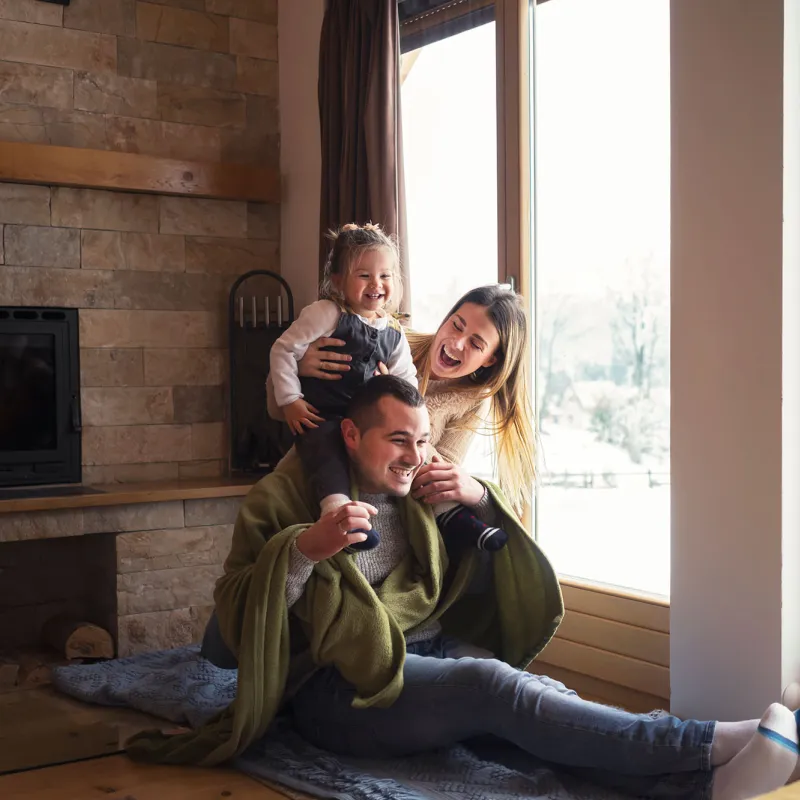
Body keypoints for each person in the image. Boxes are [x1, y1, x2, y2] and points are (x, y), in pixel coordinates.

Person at [132, 376, 800, 800]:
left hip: (431, 653)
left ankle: (708, 784)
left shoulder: (424, 492)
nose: (413, 456)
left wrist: (480, 493)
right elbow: (233, 624)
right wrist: (307, 548)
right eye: (397, 439)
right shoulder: (284, 499)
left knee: (537, 707)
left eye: (421, 441)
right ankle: (711, 741)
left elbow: (495, 560)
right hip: (341, 689)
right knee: (495, 692)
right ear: (350, 434)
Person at [267, 283, 535, 553]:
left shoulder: (472, 401)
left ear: (490, 360)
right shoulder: (390, 338)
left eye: (476, 344)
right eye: (456, 325)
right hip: (312, 474)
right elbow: (276, 409)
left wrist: (392, 411)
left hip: (377, 518)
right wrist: (299, 368)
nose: (456, 343)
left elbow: (430, 475)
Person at [269, 222, 417, 551]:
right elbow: (283, 350)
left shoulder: (394, 331)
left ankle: (446, 519)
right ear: (338, 280)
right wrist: (290, 399)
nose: (376, 284)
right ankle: (340, 519)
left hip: (365, 423)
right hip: (321, 416)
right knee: (325, 454)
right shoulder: (326, 313)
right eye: (364, 275)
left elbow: (407, 380)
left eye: (385, 275)